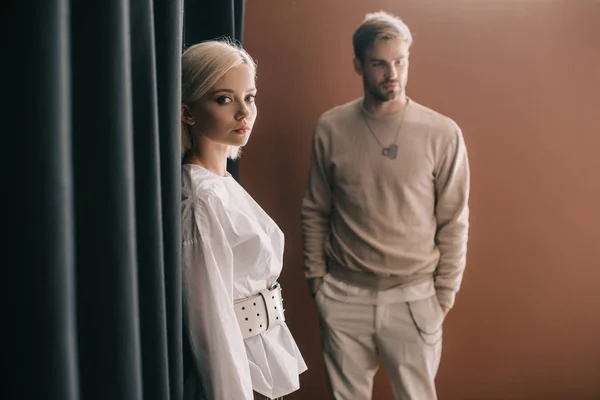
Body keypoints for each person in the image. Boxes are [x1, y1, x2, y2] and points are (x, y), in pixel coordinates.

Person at [301, 11, 470, 400]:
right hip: (343, 295)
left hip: (414, 298)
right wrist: (317, 283)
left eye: (400, 61)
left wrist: (443, 296)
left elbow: (454, 219)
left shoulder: (442, 132)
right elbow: (315, 207)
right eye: (379, 63)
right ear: (359, 64)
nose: (392, 73)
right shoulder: (331, 127)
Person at [181, 40, 307, 400]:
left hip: (265, 357)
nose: (244, 112)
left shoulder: (222, 183)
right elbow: (210, 324)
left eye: (249, 97)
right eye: (224, 99)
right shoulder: (200, 197)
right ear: (188, 112)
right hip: (241, 371)